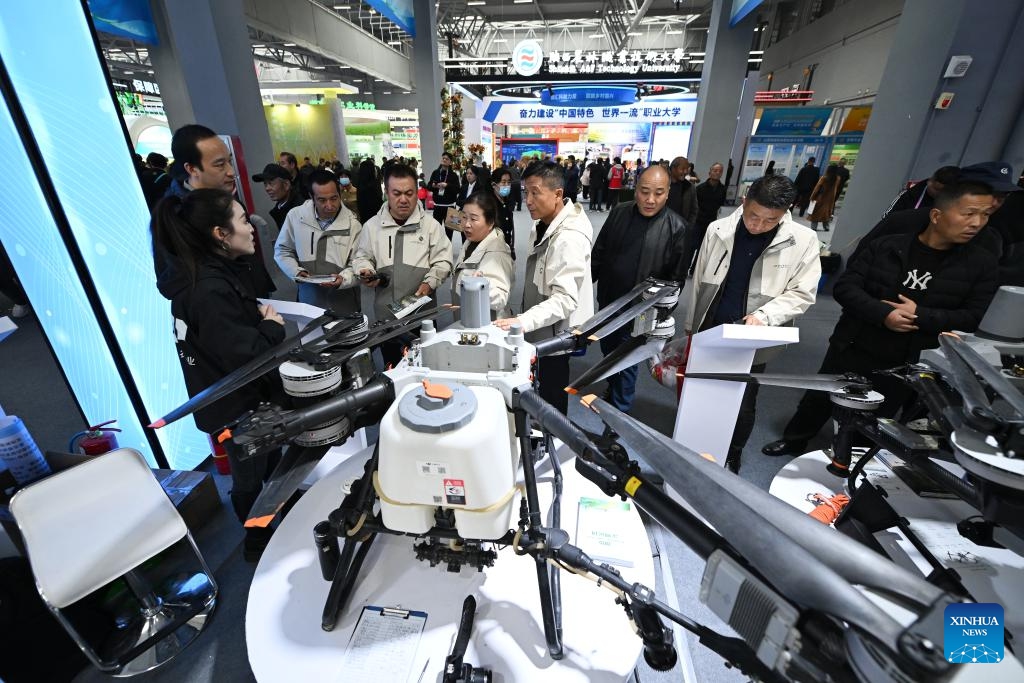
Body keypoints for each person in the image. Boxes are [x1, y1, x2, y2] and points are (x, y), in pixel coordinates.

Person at [762, 180, 1000, 458]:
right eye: (969, 213)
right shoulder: (887, 247)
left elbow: (974, 317)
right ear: (937, 215)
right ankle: (794, 440)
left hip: (910, 358)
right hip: (855, 341)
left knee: (881, 414)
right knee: (820, 396)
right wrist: (883, 313)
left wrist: (920, 315)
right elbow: (846, 287)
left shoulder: (981, 264)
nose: (977, 222)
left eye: (985, 215)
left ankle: (853, 461)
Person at [152, 188, 287, 558]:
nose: (251, 228)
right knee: (250, 478)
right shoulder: (208, 290)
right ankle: (257, 541)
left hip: (233, 403)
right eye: (243, 221)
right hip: (238, 407)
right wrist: (272, 327)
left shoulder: (197, 278)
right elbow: (247, 354)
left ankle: (273, 522)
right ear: (220, 234)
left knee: (266, 465)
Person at [687, 175, 820, 472]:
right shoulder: (718, 229)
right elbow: (699, 281)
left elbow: (803, 292)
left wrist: (766, 316)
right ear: (745, 200)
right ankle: (697, 442)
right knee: (701, 389)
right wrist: (690, 323)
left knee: (743, 400)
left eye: (769, 220)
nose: (757, 225)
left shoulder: (803, 240)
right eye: (753, 216)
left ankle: (733, 451)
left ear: (786, 211)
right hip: (712, 325)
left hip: (754, 335)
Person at [495, 162, 594, 414]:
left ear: (558, 194)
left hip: (556, 333)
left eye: (535, 192)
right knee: (538, 387)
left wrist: (523, 321)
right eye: (525, 192)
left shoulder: (569, 237)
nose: (528, 201)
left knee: (552, 396)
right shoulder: (542, 222)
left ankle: (552, 442)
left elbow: (565, 299)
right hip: (540, 322)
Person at [591, 165, 689, 412]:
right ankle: (612, 391)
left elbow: (676, 281)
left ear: (667, 193)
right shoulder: (619, 213)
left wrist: (661, 316)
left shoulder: (677, 228)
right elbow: (599, 254)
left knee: (626, 364)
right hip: (609, 302)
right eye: (644, 191)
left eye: (658, 193)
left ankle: (618, 416)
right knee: (608, 353)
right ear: (636, 189)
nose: (650, 199)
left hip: (642, 313)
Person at [352, 164, 453, 367]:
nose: (403, 200)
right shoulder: (372, 226)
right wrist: (365, 271)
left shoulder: (431, 226)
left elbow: (443, 260)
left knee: (425, 366)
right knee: (392, 365)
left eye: (409, 193)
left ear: (417, 192)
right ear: (386, 192)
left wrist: (430, 283)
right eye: (396, 193)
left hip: (422, 314)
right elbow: (361, 257)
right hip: (386, 317)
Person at [162, 124, 275, 297]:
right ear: (192, 169)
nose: (231, 172)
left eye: (229, 161)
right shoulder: (177, 217)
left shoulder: (225, 197)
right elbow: (173, 281)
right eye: (220, 165)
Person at [274, 170, 363, 313]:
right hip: (309, 299)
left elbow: (359, 262)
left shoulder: (353, 225)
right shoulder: (296, 217)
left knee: (346, 334)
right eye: (322, 200)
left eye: (334, 198)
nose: (329, 205)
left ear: (339, 192)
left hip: (344, 300)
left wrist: (343, 278)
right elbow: (282, 250)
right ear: (311, 197)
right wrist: (296, 271)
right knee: (312, 333)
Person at [452, 191, 514, 318]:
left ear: (490, 222)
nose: (467, 224)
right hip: (470, 316)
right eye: (464, 217)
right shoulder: (471, 241)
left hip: (486, 324)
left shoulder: (498, 254)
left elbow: (500, 298)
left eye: (473, 219)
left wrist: (481, 285)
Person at [883, 165, 959, 217]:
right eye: (931, 181)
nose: (929, 185)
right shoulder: (911, 193)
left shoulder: (951, 206)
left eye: (937, 189)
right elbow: (887, 216)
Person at [693, 162, 727, 271]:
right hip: (698, 221)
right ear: (710, 172)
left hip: (711, 222)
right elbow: (695, 205)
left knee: (703, 248)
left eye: (720, 171)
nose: (717, 173)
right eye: (715, 170)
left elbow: (720, 203)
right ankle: (684, 269)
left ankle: (695, 269)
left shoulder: (722, 189)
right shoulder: (700, 188)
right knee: (692, 245)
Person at [252, 163, 301, 231]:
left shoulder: (300, 210)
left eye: (271, 183)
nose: (267, 188)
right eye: (265, 184)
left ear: (286, 185)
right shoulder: (280, 209)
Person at [429, 152, 461, 239]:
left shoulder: (454, 175)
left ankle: (449, 250)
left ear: (450, 162)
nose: (444, 160)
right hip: (437, 207)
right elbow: (429, 186)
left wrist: (447, 185)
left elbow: (458, 189)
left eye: (447, 159)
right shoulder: (435, 173)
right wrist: (433, 186)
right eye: (443, 158)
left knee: (450, 233)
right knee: (436, 232)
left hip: (450, 207)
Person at [491, 167, 516, 258]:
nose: (507, 185)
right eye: (503, 182)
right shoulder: (488, 204)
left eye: (509, 182)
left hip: (506, 250)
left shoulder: (506, 201)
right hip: (492, 252)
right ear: (494, 185)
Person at [667, 156, 699, 228]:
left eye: (687, 169)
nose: (685, 172)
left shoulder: (689, 187)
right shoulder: (663, 184)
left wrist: (688, 227)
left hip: (680, 229)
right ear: (673, 168)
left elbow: (694, 210)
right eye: (682, 169)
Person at [808, 164, 840, 231]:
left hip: (821, 197)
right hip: (830, 199)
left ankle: (814, 227)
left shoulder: (824, 178)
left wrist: (812, 197)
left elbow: (817, 188)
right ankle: (826, 227)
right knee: (826, 213)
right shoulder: (837, 178)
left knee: (816, 213)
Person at [355, 157, 384, 223]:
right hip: (375, 218)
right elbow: (378, 201)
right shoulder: (374, 184)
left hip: (364, 217)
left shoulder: (359, 183)